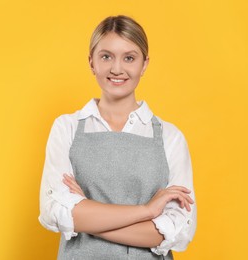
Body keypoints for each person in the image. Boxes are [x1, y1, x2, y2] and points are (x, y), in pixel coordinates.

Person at [38, 15, 197, 259]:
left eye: (129, 58)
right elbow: (55, 211)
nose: (117, 68)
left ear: (144, 64)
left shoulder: (170, 138)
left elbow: (176, 230)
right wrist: (147, 211)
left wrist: (86, 216)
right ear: (92, 62)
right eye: (106, 56)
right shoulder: (66, 128)